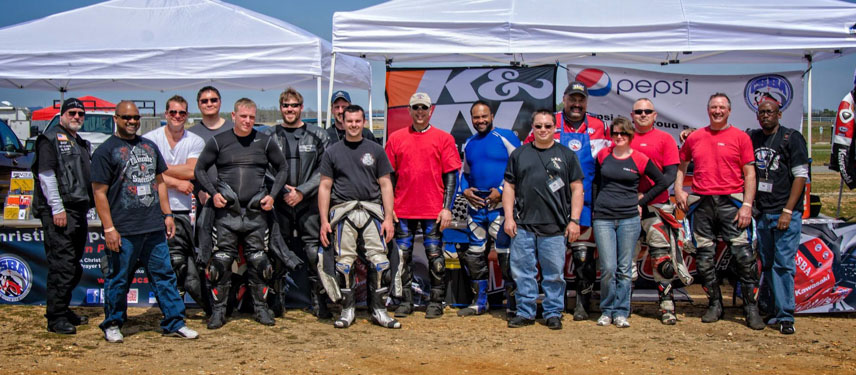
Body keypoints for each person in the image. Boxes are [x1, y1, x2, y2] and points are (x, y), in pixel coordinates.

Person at [91, 101, 198, 342]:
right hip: (123, 228)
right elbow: (99, 192)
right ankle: (113, 323)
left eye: (136, 118)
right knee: (118, 278)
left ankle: (174, 322)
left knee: (164, 276)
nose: (131, 122)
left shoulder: (149, 146)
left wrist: (168, 215)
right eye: (126, 117)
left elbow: (160, 182)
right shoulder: (105, 151)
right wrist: (108, 228)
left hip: (153, 227)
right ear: (116, 118)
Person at [194, 98, 288, 329]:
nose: (248, 121)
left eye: (252, 117)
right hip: (226, 213)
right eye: (243, 116)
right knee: (220, 262)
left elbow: (283, 168)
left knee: (260, 262)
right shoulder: (219, 141)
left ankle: (261, 309)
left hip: (256, 213)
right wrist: (213, 193)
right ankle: (218, 311)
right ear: (233, 116)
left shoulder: (265, 142)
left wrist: (272, 195)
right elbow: (199, 169)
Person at [675, 93, 764, 330]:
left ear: (729, 111)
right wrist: (678, 190)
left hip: (732, 203)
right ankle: (715, 304)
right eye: (714, 107)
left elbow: (750, 174)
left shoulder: (741, 137)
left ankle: (750, 308)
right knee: (703, 261)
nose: (717, 111)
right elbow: (681, 166)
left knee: (745, 259)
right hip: (702, 204)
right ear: (708, 110)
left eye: (722, 107)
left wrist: (747, 205)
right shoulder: (694, 137)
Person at [317, 105, 401, 329]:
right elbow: (325, 186)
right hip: (344, 212)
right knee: (344, 265)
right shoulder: (332, 151)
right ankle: (347, 310)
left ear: (364, 122)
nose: (353, 125)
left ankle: (379, 310)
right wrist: (325, 221)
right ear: (342, 122)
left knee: (380, 262)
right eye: (349, 121)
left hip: (372, 211)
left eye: (357, 121)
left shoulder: (376, 149)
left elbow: (386, 184)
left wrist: (388, 218)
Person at [503, 109, 584, 330]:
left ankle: (552, 312)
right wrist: (509, 217)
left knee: (554, 275)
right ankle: (525, 312)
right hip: (523, 225)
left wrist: (574, 220)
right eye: (538, 126)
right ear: (533, 127)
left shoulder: (567, 155)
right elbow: (509, 187)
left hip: (555, 226)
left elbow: (577, 189)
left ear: (555, 128)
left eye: (548, 126)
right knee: (523, 272)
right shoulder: (519, 154)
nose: (543, 130)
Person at [385, 92, 461, 318]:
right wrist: (390, 210)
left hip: (433, 210)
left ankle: (436, 301)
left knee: (435, 257)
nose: (420, 112)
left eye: (424, 108)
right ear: (409, 110)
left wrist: (447, 208)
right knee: (402, 257)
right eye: (415, 108)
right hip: (403, 210)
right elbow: (388, 178)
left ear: (431, 111)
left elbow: (451, 176)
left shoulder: (443, 138)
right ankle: (405, 301)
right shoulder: (396, 138)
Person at [592, 117, 669, 328]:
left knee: (625, 268)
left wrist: (642, 201)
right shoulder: (602, 155)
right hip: (604, 218)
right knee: (608, 267)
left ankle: (621, 311)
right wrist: (595, 211)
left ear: (630, 136)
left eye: (623, 134)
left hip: (629, 218)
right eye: (615, 133)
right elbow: (596, 183)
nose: (618, 137)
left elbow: (662, 182)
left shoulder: (640, 159)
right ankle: (606, 310)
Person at [262, 88, 331, 318]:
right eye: (285, 105)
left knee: (314, 252)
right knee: (277, 250)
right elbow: (263, 168)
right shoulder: (269, 136)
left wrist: (301, 191)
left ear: (301, 108)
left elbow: (325, 170)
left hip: (309, 202)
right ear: (280, 108)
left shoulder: (319, 135)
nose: (289, 109)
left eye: (294, 105)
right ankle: (277, 301)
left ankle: (319, 300)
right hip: (279, 203)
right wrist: (283, 191)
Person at [32, 98, 93, 334]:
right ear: (61, 114)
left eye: (80, 113)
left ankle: (63, 307)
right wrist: (57, 209)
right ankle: (55, 317)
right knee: (63, 265)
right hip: (60, 211)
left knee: (73, 265)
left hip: (78, 209)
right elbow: (46, 175)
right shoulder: (49, 139)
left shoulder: (79, 141)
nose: (77, 117)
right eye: (72, 112)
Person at [142, 95, 208, 313]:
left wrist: (159, 168)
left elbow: (191, 171)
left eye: (182, 113)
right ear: (165, 114)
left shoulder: (195, 140)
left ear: (187, 115)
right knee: (155, 262)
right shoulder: (149, 139)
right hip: (152, 208)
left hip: (181, 210)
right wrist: (176, 181)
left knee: (178, 262)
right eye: (173, 112)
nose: (177, 116)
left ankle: (175, 306)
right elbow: (144, 173)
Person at [628, 98, 690, 325]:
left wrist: (645, 199)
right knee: (627, 259)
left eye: (647, 111)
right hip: (628, 209)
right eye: (638, 111)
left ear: (655, 115)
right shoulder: (624, 140)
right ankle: (624, 305)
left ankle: (666, 306)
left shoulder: (665, 139)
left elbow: (668, 177)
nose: (643, 114)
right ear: (632, 115)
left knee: (662, 259)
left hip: (658, 207)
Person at [749, 100, 808, 335]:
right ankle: (773, 309)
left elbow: (801, 176)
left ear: (779, 114)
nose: (765, 116)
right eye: (761, 112)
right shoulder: (753, 138)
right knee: (769, 264)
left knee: (784, 265)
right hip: (763, 213)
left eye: (770, 112)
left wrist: (788, 210)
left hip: (785, 214)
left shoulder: (792, 138)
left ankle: (786, 315)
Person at [458, 100, 520, 318]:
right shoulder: (470, 143)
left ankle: (513, 303)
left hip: (500, 208)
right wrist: (465, 191)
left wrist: (502, 190)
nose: (480, 120)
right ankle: (479, 302)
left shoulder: (506, 137)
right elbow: (464, 174)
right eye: (476, 117)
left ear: (492, 115)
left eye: (484, 116)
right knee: (474, 255)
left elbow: (521, 165)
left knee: (506, 254)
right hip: (476, 207)